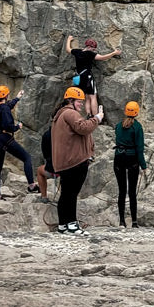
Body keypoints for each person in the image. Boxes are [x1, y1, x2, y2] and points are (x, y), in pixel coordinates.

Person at [49, 87, 103, 235]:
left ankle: (63, 225)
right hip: (74, 161)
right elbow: (83, 127)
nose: (81, 104)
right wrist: (97, 118)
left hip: (64, 161)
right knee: (71, 193)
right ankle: (72, 225)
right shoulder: (70, 113)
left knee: (66, 193)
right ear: (71, 100)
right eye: (79, 101)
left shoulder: (60, 115)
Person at [0, 86, 38, 199]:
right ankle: (31, 186)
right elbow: (8, 126)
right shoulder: (4, 109)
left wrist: (18, 98)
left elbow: (7, 107)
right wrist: (17, 127)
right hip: (4, 138)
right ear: (6, 95)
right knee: (27, 158)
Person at [65, 36, 121, 119]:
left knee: (87, 98)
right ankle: (95, 118)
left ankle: (88, 115)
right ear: (91, 47)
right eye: (94, 48)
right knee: (93, 97)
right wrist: (114, 53)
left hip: (79, 78)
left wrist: (69, 40)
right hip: (87, 77)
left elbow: (68, 49)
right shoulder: (90, 54)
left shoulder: (78, 52)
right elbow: (102, 57)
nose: (94, 50)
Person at [113, 101, 147, 228]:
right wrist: (143, 165)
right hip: (132, 159)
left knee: (122, 191)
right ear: (137, 112)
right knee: (132, 192)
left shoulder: (118, 126)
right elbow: (139, 148)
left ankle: (122, 221)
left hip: (119, 158)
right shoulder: (137, 127)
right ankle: (134, 222)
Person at [34, 127, 57, 202]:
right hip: (71, 167)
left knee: (39, 171)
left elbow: (45, 155)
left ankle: (44, 197)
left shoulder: (47, 135)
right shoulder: (67, 132)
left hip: (54, 168)